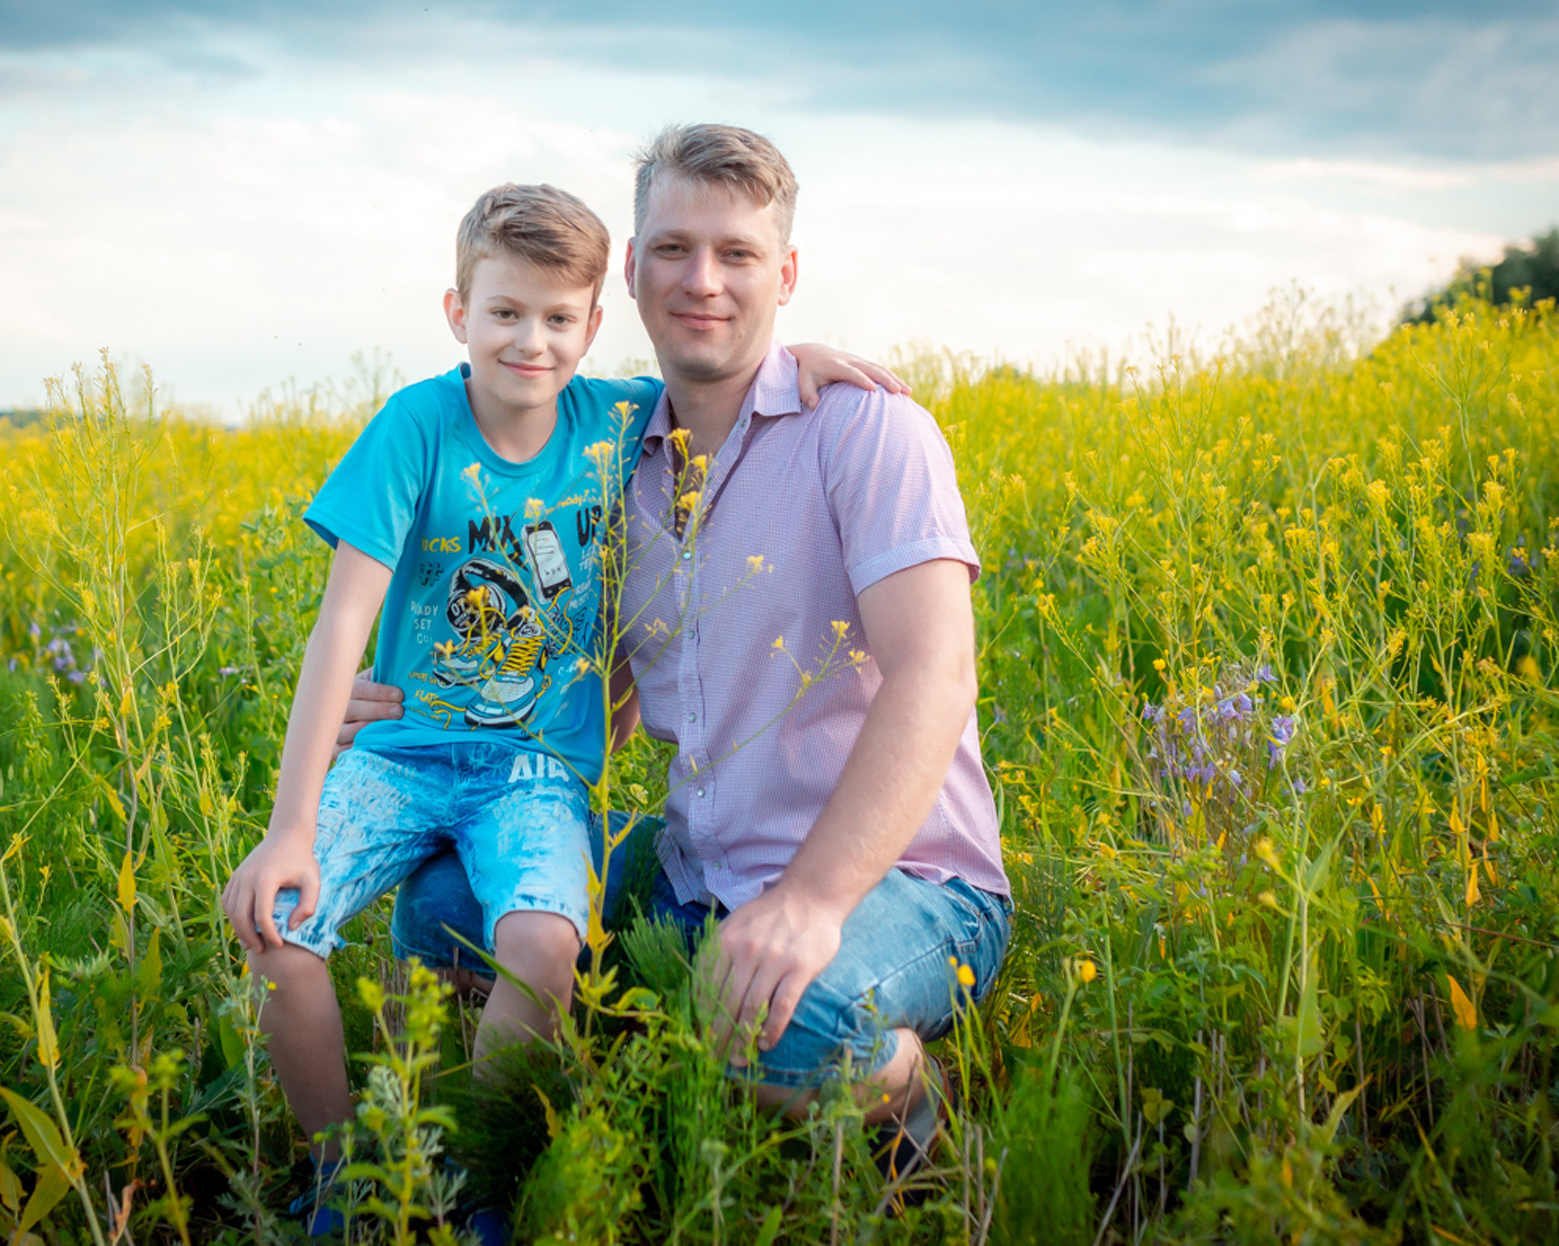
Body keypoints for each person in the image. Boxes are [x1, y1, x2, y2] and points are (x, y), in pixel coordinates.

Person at [218, 180, 897, 1220]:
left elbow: (725, 378)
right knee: (280, 927)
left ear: (591, 323)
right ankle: (342, 1176)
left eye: (556, 318)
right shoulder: (415, 427)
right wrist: (288, 826)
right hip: (398, 755)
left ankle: (486, 1178)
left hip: (536, 773)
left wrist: (801, 359)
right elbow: (337, 627)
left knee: (542, 943)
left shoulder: (611, 419)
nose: (529, 341)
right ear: (458, 313)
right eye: (502, 313)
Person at [360, 125, 1014, 1181]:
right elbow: (580, 686)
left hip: (902, 880)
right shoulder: (610, 460)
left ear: (786, 274)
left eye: (737, 253)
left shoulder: (868, 433)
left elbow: (934, 677)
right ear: (628, 267)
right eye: (671, 248)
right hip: (695, 872)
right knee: (443, 910)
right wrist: (398, 709)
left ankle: (910, 1092)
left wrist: (807, 902)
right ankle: (511, 1135)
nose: (700, 279)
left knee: (776, 1026)